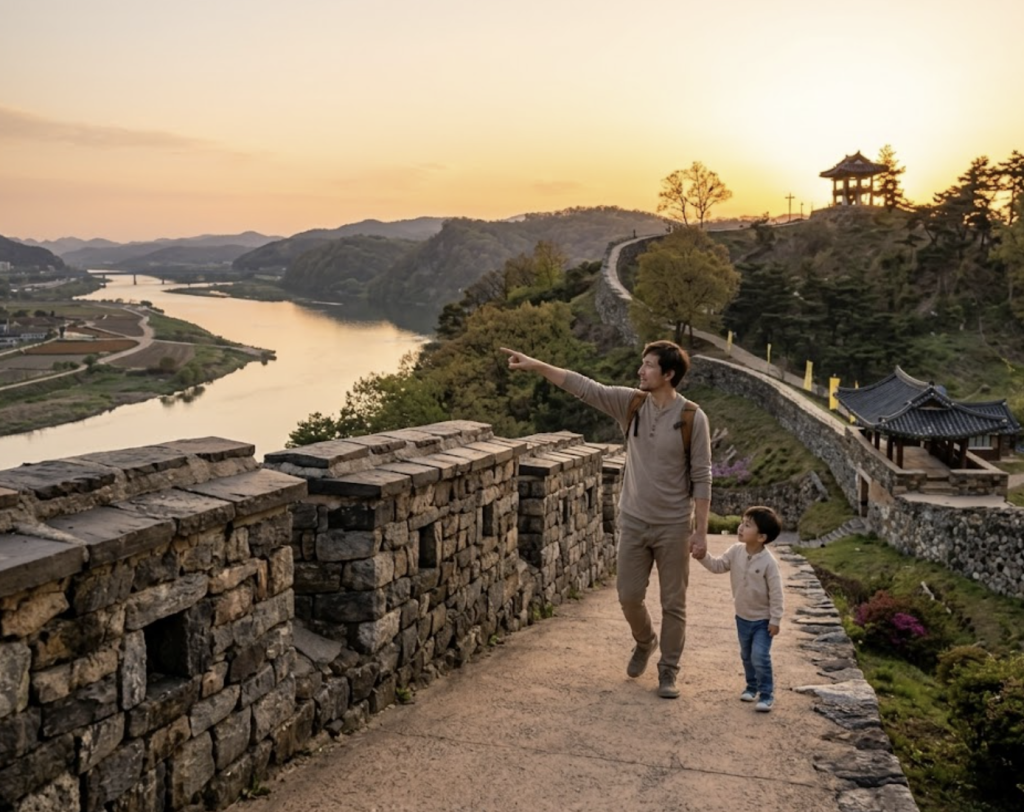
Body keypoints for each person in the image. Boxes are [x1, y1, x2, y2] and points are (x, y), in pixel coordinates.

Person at [501, 341, 712, 699]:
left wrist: (701, 532)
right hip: (633, 520)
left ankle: (668, 670)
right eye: (641, 364)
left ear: (669, 374)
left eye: (648, 366)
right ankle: (645, 641)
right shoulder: (630, 403)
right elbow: (583, 386)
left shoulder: (692, 418)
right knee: (629, 596)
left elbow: (702, 476)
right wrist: (537, 364)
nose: (640, 371)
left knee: (673, 603)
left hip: (674, 526)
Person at [693, 505, 784, 713]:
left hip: (762, 620)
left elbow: (777, 594)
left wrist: (775, 619)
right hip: (742, 617)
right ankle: (751, 687)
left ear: (761, 537)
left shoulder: (769, 563)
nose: (740, 527)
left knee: (759, 655)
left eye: (747, 525)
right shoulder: (735, 551)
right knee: (746, 655)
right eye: (742, 522)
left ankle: (767, 694)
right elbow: (718, 566)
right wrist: (702, 556)